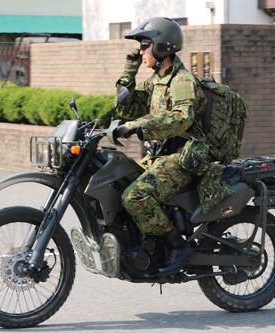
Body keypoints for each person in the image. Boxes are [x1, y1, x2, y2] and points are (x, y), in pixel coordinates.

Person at [113, 17, 207, 276]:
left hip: (183, 157)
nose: (141, 52)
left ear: (162, 47)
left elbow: (181, 117)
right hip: (160, 157)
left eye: (145, 45)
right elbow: (127, 107)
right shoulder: (156, 81)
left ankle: (177, 246)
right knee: (118, 182)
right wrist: (128, 73)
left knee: (135, 196)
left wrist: (138, 125)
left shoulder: (182, 80)